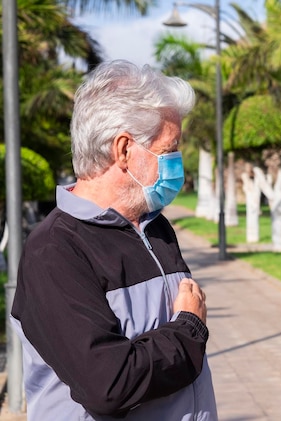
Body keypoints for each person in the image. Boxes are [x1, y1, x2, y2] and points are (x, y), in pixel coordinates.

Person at [11, 60, 218, 420]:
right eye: (169, 149)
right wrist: (189, 328)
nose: (177, 162)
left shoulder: (155, 227)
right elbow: (109, 384)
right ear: (123, 150)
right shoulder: (55, 251)